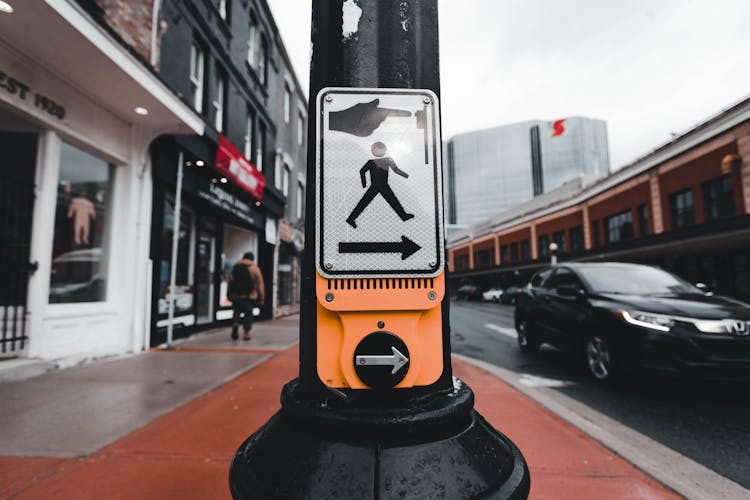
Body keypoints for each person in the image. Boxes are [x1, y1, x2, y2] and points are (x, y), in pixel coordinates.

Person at [227, 251, 265, 341]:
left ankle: (236, 323)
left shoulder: (235, 267)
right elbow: (260, 284)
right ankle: (246, 334)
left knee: (236, 312)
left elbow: (230, 281)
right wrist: (262, 298)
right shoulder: (254, 268)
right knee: (248, 314)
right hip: (249, 296)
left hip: (236, 296)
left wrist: (229, 294)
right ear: (252, 259)